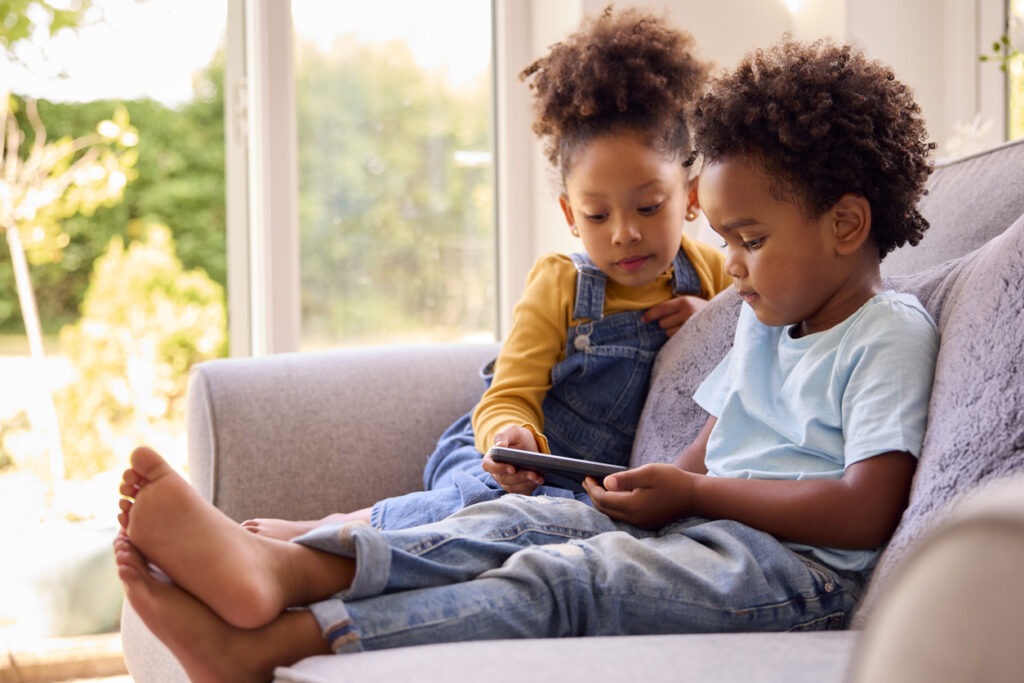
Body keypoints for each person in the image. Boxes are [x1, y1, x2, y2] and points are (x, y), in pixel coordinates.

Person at [115, 36, 940, 682]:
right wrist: (667, 484)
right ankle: (291, 566)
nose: (731, 263)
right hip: (703, 524)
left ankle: (282, 642)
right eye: (725, 239)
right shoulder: (763, 317)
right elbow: (718, 441)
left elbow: (866, 508)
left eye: (749, 240)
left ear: (845, 224)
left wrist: (693, 491)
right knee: (520, 518)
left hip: (797, 579)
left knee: (566, 579)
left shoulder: (887, 332)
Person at [242, 7, 728, 540]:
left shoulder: (714, 277)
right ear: (569, 215)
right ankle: (338, 530)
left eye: (648, 206)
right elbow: (507, 392)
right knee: (490, 500)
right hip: (504, 467)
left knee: (550, 530)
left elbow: (746, 347)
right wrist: (511, 434)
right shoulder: (562, 283)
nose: (623, 234)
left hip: (582, 494)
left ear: (691, 198)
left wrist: (707, 324)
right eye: (597, 215)